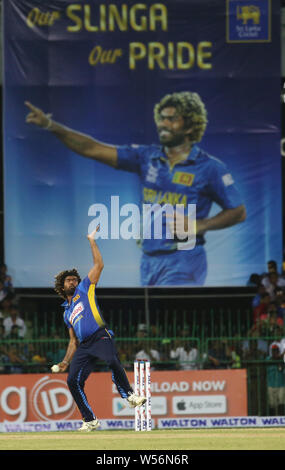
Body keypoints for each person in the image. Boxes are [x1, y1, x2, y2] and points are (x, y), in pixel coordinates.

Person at [25, 92, 246, 286]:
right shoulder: (146, 157)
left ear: (190, 124)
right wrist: (50, 125)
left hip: (184, 258)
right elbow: (92, 148)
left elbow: (238, 212)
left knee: (175, 324)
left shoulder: (210, 167)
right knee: (155, 329)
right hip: (148, 259)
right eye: (162, 118)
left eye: (172, 119)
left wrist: (200, 225)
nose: (163, 123)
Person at [52, 225, 146, 432]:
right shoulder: (66, 312)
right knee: (72, 381)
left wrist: (91, 240)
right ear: (62, 286)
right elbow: (72, 341)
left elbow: (99, 264)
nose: (73, 281)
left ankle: (129, 396)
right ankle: (89, 420)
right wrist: (66, 360)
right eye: (69, 280)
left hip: (100, 336)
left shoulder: (84, 289)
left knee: (112, 360)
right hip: (84, 346)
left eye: (75, 279)